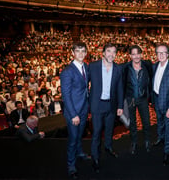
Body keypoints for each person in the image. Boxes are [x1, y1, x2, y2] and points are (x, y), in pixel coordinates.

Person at [88, 43, 123, 173]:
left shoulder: (118, 68)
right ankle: (95, 158)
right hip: (97, 105)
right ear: (103, 53)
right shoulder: (93, 66)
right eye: (109, 51)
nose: (111, 54)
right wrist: (87, 105)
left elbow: (120, 88)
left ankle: (108, 147)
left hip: (111, 105)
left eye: (114, 52)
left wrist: (120, 105)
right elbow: (85, 86)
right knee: (96, 132)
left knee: (109, 130)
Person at [60, 42, 90, 179]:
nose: (80, 53)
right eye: (77, 51)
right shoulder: (67, 71)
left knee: (79, 135)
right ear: (72, 53)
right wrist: (73, 115)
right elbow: (65, 96)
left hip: (84, 109)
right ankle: (71, 165)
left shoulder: (86, 67)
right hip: (73, 112)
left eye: (83, 51)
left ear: (86, 52)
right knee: (72, 139)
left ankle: (80, 153)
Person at [152, 43, 169, 166]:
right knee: (159, 121)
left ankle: (167, 152)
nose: (161, 55)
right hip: (156, 100)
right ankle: (160, 138)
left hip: (168, 103)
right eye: (158, 52)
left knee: (168, 127)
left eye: (164, 52)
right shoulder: (154, 66)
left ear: (168, 54)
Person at [122, 45, 152, 154]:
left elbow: (152, 80)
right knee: (133, 123)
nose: (136, 56)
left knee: (146, 122)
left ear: (141, 54)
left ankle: (147, 141)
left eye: (138, 54)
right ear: (130, 56)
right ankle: (134, 142)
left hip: (143, 99)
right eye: (133, 54)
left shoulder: (147, 65)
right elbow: (122, 84)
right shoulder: (125, 68)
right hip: (130, 99)